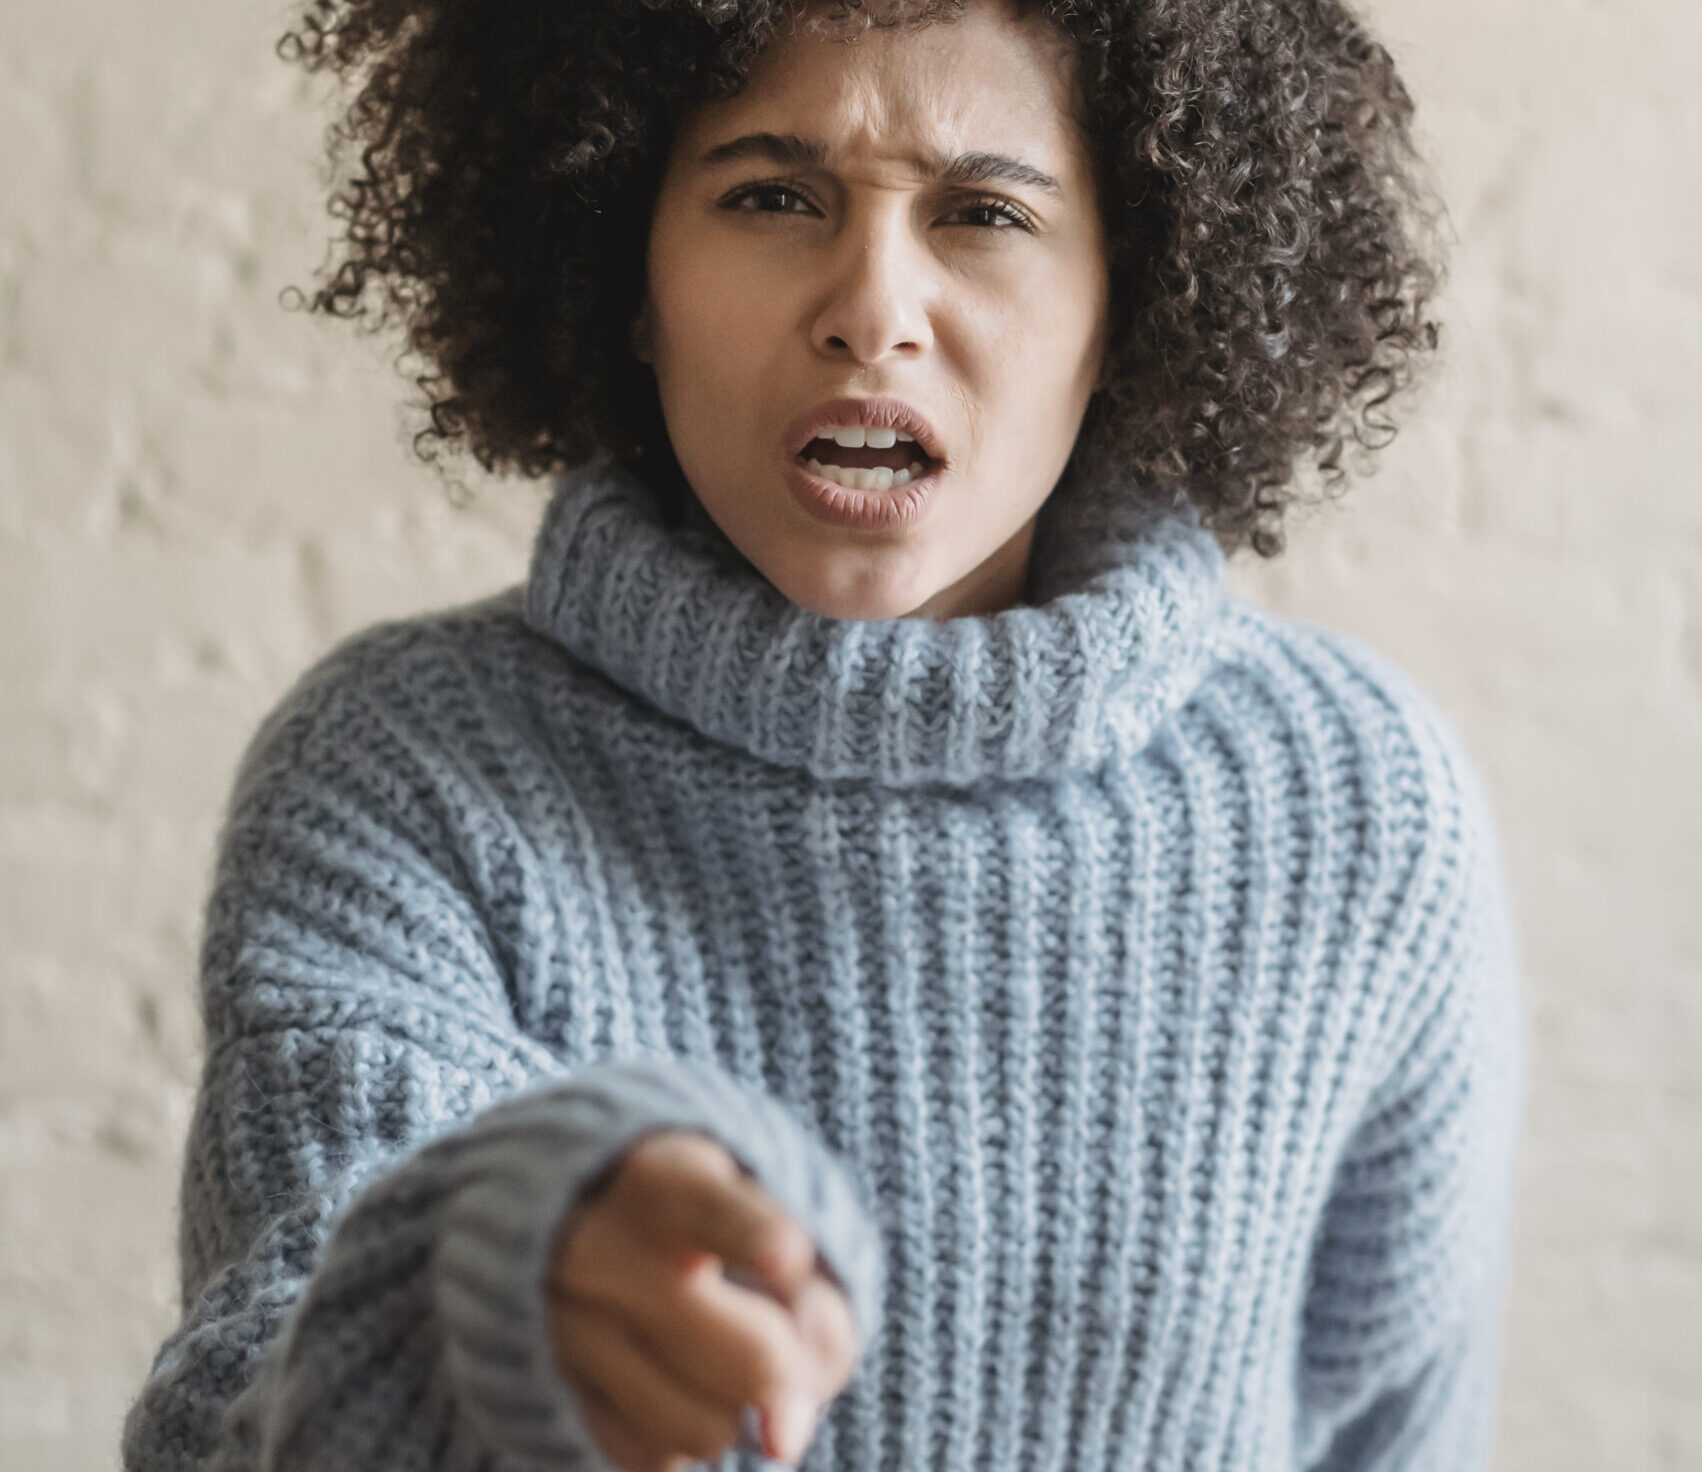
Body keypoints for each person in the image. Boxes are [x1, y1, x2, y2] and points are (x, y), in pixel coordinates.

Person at [121, 0, 1526, 1469]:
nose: (871, 306)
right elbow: (236, 1424)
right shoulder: (404, 773)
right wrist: (475, 1289)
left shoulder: (1355, 803)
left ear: (1133, 295)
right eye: (771, 195)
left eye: (983, 212)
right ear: (628, 276)